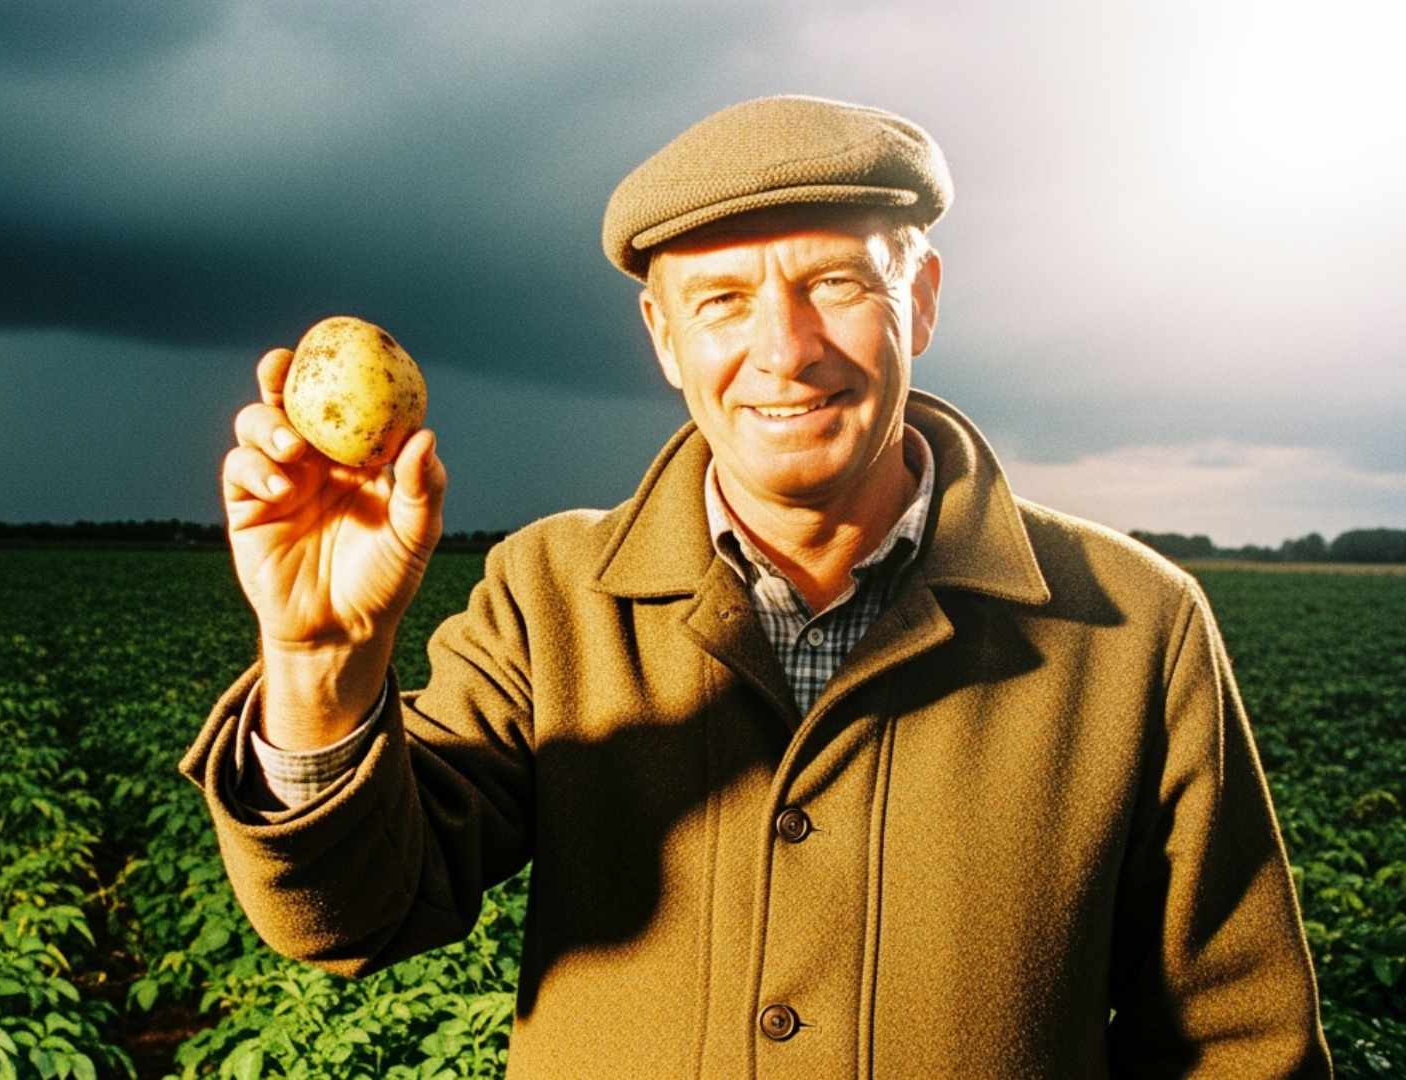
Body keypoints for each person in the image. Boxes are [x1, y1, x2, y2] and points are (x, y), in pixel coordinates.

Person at [182, 94, 1333, 1077]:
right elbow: (357, 912)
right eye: (723, 301)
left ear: (920, 299)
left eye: (836, 283)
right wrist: (319, 665)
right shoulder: (550, 594)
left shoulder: (1135, 622)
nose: (784, 350)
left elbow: (1240, 1041)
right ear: (663, 338)